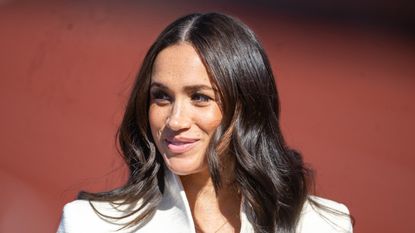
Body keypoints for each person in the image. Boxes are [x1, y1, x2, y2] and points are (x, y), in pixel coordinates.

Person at [57, 12, 353, 233]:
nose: (174, 120)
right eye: (161, 97)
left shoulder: (323, 225)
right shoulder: (88, 223)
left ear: (247, 106)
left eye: (199, 97)